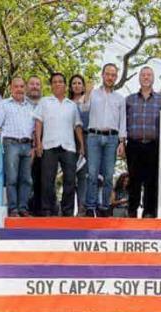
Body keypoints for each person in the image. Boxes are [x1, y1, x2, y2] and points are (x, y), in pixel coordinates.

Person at [34, 72, 84, 216]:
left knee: (70, 179)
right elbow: (38, 122)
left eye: (60, 81)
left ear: (65, 85)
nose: (57, 84)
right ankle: (48, 210)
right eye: (54, 82)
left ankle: (67, 211)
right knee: (47, 180)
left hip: (68, 146)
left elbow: (77, 126)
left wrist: (82, 146)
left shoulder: (72, 105)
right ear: (51, 85)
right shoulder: (45, 102)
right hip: (49, 145)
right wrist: (38, 143)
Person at [0, 76, 36, 216]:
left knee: (27, 179)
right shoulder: (4, 104)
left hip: (27, 145)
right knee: (12, 178)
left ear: (25, 88)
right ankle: (13, 208)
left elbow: (34, 128)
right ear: (11, 88)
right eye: (16, 86)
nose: (19, 89)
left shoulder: (31, 106)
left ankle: (23, 208)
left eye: (22, 86)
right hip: (11, 144)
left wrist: (34, 145)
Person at [124, 66, 161, 218]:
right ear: (139, 78)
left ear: (153, 78)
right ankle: (132, 210)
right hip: (134, 145)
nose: (146, 77)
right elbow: (123, 123)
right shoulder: (129, 100)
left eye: (149, 75)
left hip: (153, 145)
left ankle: (149, 212)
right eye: (143, 75)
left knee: (152, 180)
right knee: (134, 179)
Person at [85, 63, 127, 217]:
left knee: (109, 175)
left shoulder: (120, 99)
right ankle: (90, 206)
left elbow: (122, 122)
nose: (110, 77)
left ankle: (104, 206)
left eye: (113, 75)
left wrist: (122, 142)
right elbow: (84, 108)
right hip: (94, 136)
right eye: (108, 74)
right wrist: (87, 94)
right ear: (102, 75)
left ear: (116, 78)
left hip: (112, 138)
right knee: (92, 173)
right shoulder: (93, 94)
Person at [69, 74, 90, 215]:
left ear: (83, 86)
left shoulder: (89, 101)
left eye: (79, 83)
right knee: (69, 175)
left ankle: (82, 207)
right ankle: (68, 208)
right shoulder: (66, 102)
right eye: (74, 83)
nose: (77, 85)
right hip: (69, 139)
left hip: (86, 138)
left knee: (83, 174)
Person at [26, 75, 44, 215]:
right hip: (24, 145)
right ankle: (23, 208)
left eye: (37, 84)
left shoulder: (47, 103)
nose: (34, 87)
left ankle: (39, 210)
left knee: (41, 179)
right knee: (24, 177)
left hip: (43, 145)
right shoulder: (20, 103)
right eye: (32, 84)